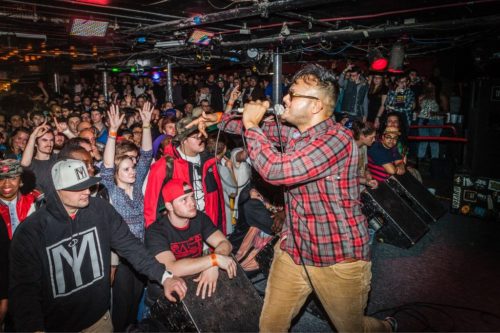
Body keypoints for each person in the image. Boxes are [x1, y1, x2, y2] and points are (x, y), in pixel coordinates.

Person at [191, 64, 395, 332]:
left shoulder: (337, 139)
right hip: (295, 247)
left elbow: (277, 170)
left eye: (293, 94)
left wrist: (252, 124)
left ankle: (385, 328)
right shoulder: (295, 132)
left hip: (335, 254)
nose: (284, 98)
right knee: (271, 325)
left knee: (351, 328)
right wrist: (214, 118)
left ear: (316, 106)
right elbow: (245, 127)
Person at [8, 159, 187, 332]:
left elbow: (130, 245)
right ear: (56, 191)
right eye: (77, 187)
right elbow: (24, 289)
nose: (86, 191)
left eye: (87, 183)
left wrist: (164, 277)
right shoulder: (31, 231)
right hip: (56, 325)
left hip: (99, 320)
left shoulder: (100, 209)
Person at [101, 103, 154, 330]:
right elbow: (105, 168)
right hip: (122, 261)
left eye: (133, 167)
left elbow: (147, 154)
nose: (133, 170)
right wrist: (113, 132)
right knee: (121, 310)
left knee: (134, 305)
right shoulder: (112, 189)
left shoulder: (137, 182)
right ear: (116, 172)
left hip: (140, 255)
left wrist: (146, 124)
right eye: (126, 169)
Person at [145, 179, 236, 308]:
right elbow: (171, 268)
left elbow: (225, 243)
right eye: (184, 199)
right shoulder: (155, 231)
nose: (192, 203)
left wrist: (213, 264)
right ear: (169, 206)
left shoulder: (200, 218)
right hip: (163, 298)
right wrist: (213, 259)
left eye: (192, 197)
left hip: (193, 288)